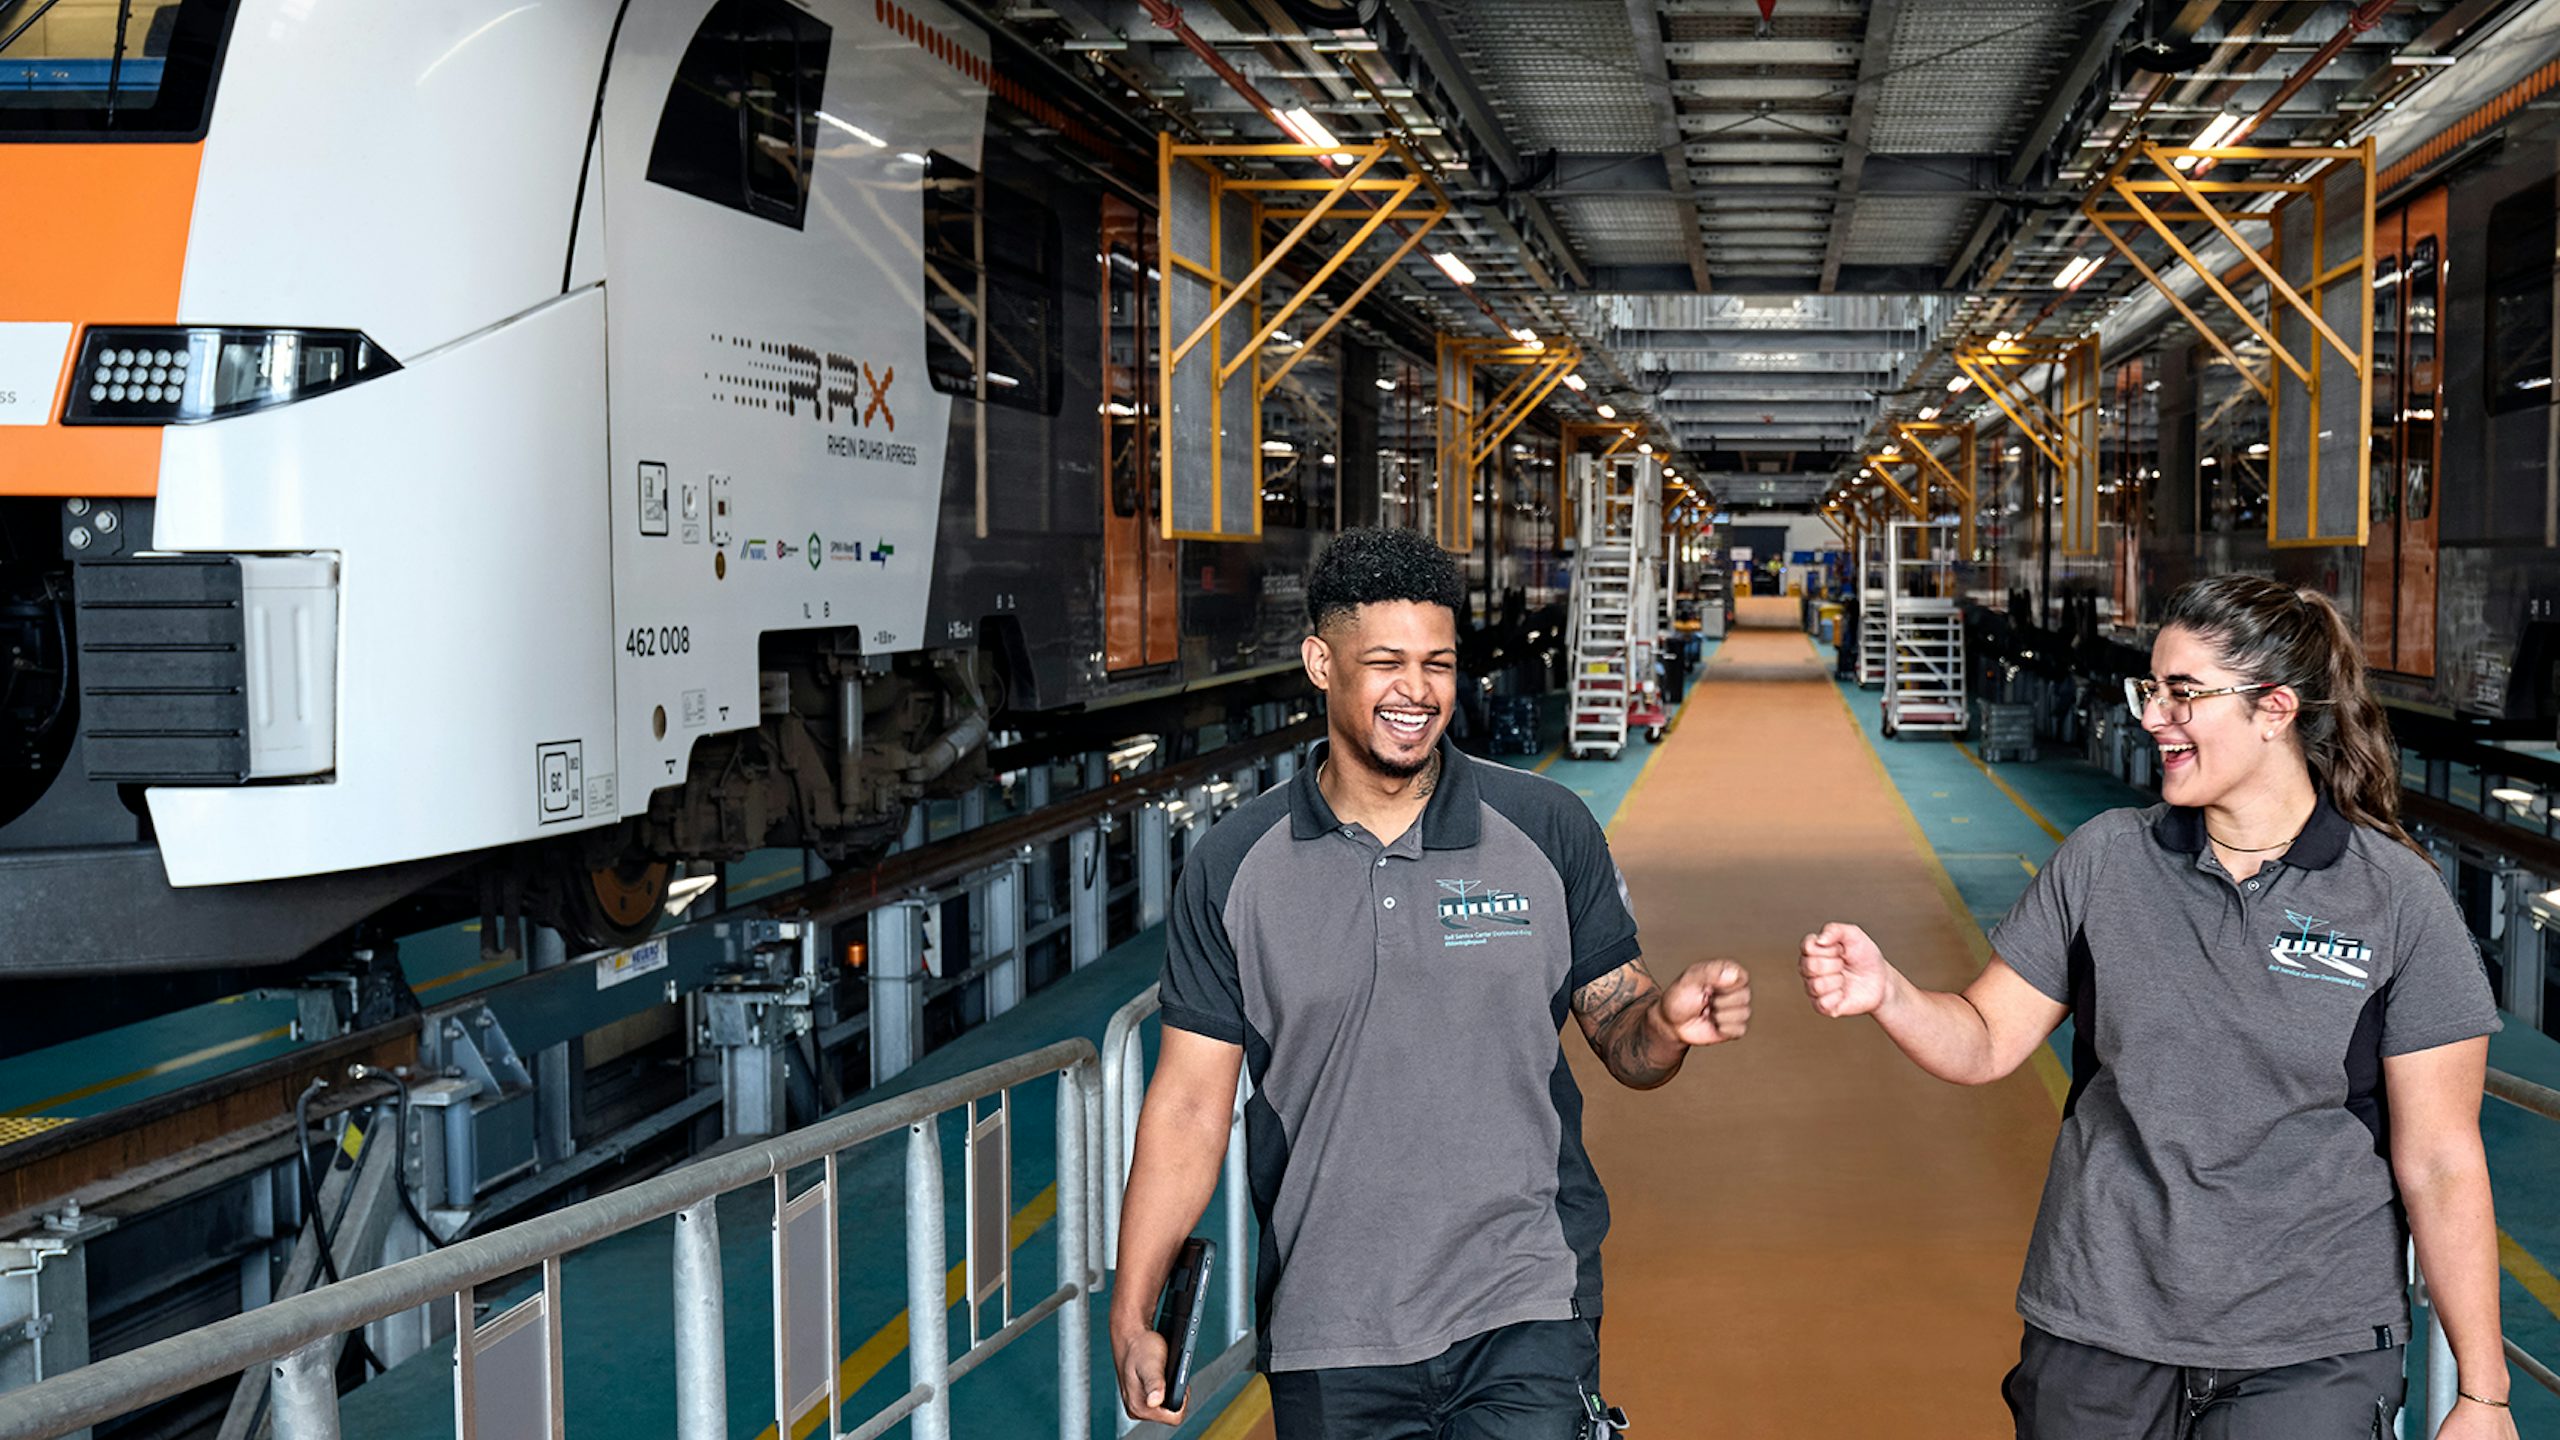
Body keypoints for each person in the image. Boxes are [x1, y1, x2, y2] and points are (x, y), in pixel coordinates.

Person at [1798, 575, 2516, 1439]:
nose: (2152, 715)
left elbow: (2440, 1159)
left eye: (2183, 693)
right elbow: (1987, 1039)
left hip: (2308, 1346)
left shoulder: (2395, 899)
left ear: (2275, 709)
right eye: (2153, 689)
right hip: (2100, 1324)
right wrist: (1893, 992)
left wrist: (2483, 1392)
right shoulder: (2107, 862)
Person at [1112, 526, 1753, 1438]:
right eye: (1385, 662)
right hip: (1332, 1323)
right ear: (1320, 663)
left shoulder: (1545, 826)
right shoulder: (1233, 866)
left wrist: (1669, 1021)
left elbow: (1625, 1039)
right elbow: (1188, 1107)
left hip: (1525, 1300)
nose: (1417, 690)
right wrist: (1134, 1309)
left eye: (1438, 663)